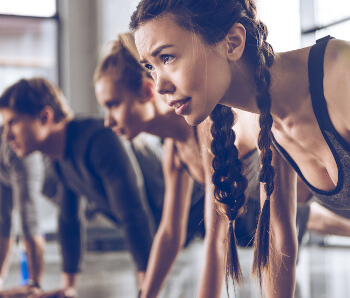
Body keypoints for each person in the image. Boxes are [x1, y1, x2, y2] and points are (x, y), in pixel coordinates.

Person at [130, 0, 350, 296]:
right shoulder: (251, 122)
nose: (160, 86)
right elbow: (279, 241)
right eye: (151, 67)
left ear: (232, 42)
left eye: (167, 57)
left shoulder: (341, 78)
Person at [94, 32, 228, 298]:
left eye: (113, 105)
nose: (108, 122)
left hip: (289, 198)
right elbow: (169, 234)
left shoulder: (206, 129)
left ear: (146, 91)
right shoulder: (173, 149)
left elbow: (218, 239)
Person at [0, 77, 159, 298]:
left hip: (194, 214)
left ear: (45, 116)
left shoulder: (98, 140)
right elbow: (70, 222)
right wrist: (67, 289)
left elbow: (134, 216)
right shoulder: (58, 160)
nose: (6, 135)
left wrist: (147, 293)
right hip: (164, 232)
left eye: (13, 122)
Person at [0, 129, 45, 296]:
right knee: (3, 219)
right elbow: (3, 221)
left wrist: (35, 286)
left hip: (64, 185)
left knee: (28, 216)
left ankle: (35, 284)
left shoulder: (13, 147)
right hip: (7, 169)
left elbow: (29, 217)